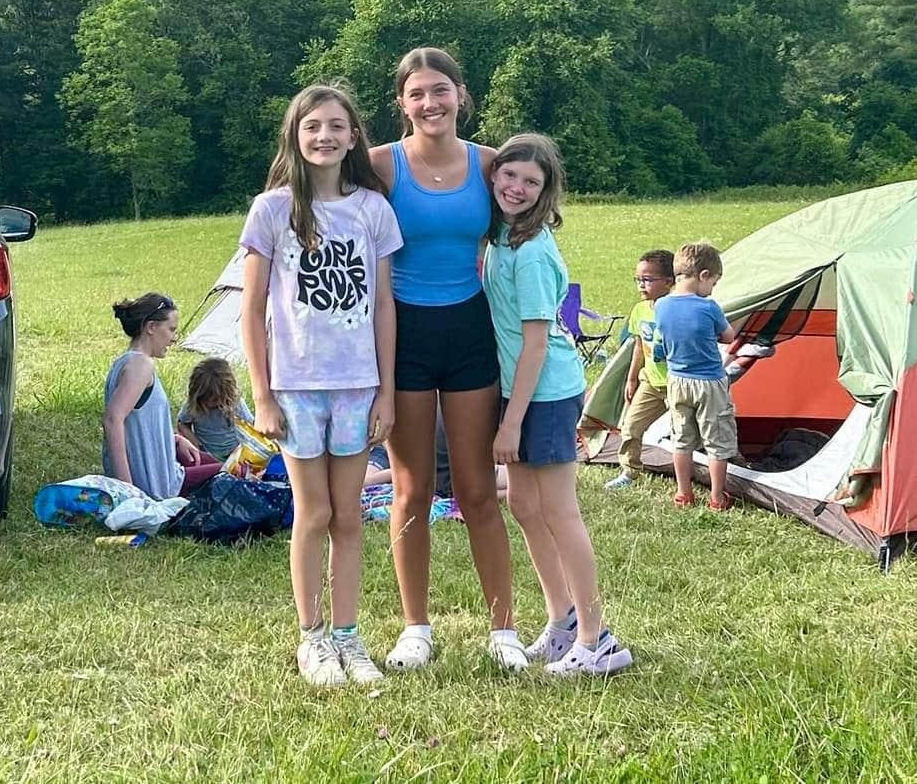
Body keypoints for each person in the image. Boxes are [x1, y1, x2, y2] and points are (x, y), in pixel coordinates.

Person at [240, 84, 402, 689]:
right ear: (295, 136)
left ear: (354, 137)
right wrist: (262, 394)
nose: (325, 136)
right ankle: (311, 638)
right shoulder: (272, 210)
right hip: (297, 388)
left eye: (337, 126)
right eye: (313, 127)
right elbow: (252, 308)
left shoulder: (372, 211)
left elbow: (384, 304)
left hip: (358, 386)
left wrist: (385, 390)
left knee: (350, 518)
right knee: (313, 514)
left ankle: (348, 637)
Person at [368, 47, 522, 673]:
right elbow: (307, 196)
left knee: (478, 488)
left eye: (441, 91)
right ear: (402, 104)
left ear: (461, 94)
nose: (430, 103)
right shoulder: (380, 165)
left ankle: (504, 628)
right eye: (417, 94)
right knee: (411, 490)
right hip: (401, 336)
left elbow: (530, 234)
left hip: (469, 333)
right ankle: (415, 627)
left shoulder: (490, 165)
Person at [485, 132, 632, 677]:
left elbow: (538, 342)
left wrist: (511, 423)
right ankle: (562, 621)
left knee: (559, 511)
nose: (517, 187)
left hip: (544, 392)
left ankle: (598, 641)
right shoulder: (501, 235)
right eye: (509, 174)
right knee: (524, 506)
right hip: (518, 388)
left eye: (532, 181)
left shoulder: (531, 252)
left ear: (546, 192)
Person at [102, 293, 220, 500]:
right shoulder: (141, 365)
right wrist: (127, 492)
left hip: (166, 469)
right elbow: (113, 419)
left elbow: (136, 422)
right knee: (239, 471)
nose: (174, 338)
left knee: (223, 462)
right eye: (171, 329)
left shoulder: (125, 362)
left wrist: (174, 440)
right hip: (161, 487)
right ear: (151, 327)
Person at [653, 241, 737, 511]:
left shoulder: (661, 306)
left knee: (681, 438)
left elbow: (660, 343)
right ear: (703, 276)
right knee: (717, 441)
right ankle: (717, 496)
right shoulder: (709, 306)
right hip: (709, 382)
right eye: (713, 282)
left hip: (677, 381)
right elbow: (728, 336)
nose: (712, 289)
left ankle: (683, 493)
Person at [607, 249, 675, 490]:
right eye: (638, 279)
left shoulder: (677, 309)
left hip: (676, 383)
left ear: (669, 282)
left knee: (686, 432)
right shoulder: (640, 310)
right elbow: (638, 345)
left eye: (647, 279)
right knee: (631, 427)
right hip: (649, 381)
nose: (641, 285)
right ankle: (629, 471)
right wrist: (632, 377)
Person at [176, 357, 252, 464]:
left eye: (215, 399)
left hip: (234, 454)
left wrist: (242, 449)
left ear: (227, 393)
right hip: (206, 453)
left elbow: (251, 426)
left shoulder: (235, 403)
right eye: (204, 399)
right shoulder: (193, 404)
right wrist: (196, 445)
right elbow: (182, 424)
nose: (209, 404)